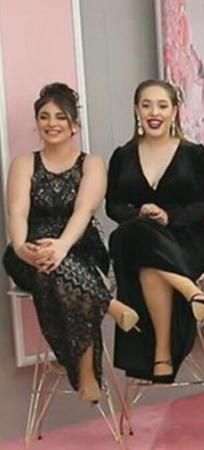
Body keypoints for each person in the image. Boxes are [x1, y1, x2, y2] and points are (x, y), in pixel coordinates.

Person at [3, 83, 139, 403]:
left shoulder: (91, 163)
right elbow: (17, 211)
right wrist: (21, 247)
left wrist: (61, 246)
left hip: (78, 244)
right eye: (44, 116)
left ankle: (86, 375)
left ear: (74, 125)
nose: (51, 123)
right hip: (31, 245)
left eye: (60, 117)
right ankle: (108, 306)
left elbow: (84, 211)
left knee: (60, 274)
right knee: (47, 267)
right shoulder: (24, 163)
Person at [106, 79, 204, 384]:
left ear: (175, 111)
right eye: (146, 105)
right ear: (137, 110)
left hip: (185, 241)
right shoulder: (122, 155)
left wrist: (170, 216)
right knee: (134, 233)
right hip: (138, 238)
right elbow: (113, 205)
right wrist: (138, 213)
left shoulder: (193, 154)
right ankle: (190, 291)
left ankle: (162, 353)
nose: (154, 112)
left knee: (144, 259)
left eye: (162, 105)